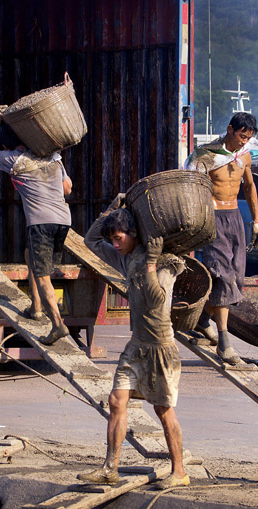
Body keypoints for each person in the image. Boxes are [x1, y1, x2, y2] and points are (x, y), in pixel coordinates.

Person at [78, 198, 189, 488]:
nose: (114, 244)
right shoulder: (125, 257)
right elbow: (90, 240)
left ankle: (179, 472)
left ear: (133, 235)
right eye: (112, 239)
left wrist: (151, 262)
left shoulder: (165, 262)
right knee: (116, 401)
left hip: (160, 347)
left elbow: (156, 301)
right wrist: (108, 211)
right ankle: (109, 468)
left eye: (118, 238)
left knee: (163, 410)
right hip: (136, 344)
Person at [0, 119, 73, 345]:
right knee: (30, 256)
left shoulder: (12, 159)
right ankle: (36, 307)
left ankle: (58, 325)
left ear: (6, 146)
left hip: (40, 223)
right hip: (63, 221)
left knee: (43, 278)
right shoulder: (52, 158)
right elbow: (68, 189)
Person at [184, 112, 258, 365]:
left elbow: (250, 187)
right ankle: (225, 343)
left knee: (237, 278)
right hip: (212, 219)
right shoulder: (205, 156)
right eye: (241, 135)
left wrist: (257, 223)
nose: (243, 141)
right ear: (230, 129)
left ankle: (202, 320)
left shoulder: (244, 157)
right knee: (223, 276)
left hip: (235, 219)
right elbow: (191, 188)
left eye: (248, 138)